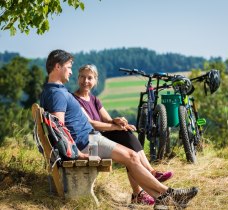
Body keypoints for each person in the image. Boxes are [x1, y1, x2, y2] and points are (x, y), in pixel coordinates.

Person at [40, 49, 198, 209]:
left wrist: (114, 123)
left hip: (90, 139)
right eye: (69, 67)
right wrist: (79, 154)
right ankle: (168, 195)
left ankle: (163, 196)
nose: (71, 71)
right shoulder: (56, 94)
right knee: (131, 156)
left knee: (132, 155)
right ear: (58, 67)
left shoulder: (57, 91)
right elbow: (58, 128)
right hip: (86, 143)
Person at [73, 64, 173, 205]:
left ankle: (145, 180)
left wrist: (118, 121)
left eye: (89, 78)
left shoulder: (94, 100)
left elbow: (107, 119)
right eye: (82, 77)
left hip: (100, 137)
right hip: (91, 142)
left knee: (126, 133)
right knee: (127, 147)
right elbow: (92, 124)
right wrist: (115, 127)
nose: (85, 81)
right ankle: (145, 182)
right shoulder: (74, 100)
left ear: (95, 81)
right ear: (78, 79)